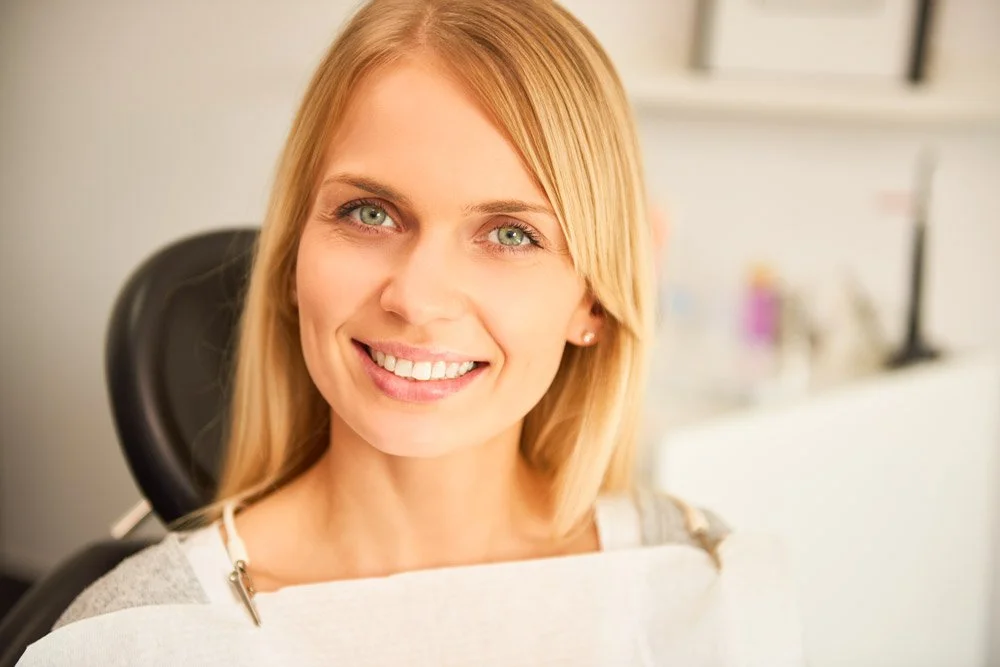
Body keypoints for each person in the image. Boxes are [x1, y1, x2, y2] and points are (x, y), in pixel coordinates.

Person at [21, 0, 804, 664]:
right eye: (369, 212)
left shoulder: (700, 582)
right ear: (296, 253)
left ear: (590, 302)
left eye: (509, 234)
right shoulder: (136, 637)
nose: (418, 297)